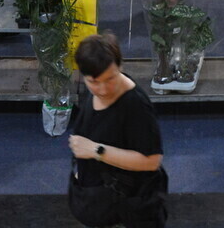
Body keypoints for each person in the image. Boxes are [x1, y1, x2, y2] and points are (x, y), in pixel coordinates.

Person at [67, 33, 167, 228]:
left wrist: (96, 151)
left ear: (120, 67)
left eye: (110, 79)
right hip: (103, 204)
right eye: (94, 82)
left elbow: (152, 161)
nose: (103, 89)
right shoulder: (92, 87)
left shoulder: (135, 105)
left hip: (130, 210)